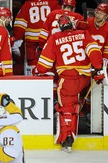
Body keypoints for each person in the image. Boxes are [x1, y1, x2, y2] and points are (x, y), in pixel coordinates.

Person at [34, 14, 104, 152]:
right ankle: (73, 128)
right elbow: (94, 51)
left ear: (60, 26)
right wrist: (98, 68)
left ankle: (68, 139)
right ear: (72, 24)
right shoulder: (84, 33)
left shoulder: (55, 38)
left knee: (66, 108)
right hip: (84, 78)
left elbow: (43, 65)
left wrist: (39, 70)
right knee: (76, 105)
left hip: (68, 80)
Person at [13, 0, 60, 75]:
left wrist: (17, 37)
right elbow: (59, 20)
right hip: (46, 39)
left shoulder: (27, 4)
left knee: (31, 63)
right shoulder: (53, 2)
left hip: (31, 41)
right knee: (48, 61)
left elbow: (20, 23)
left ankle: (32, 79)